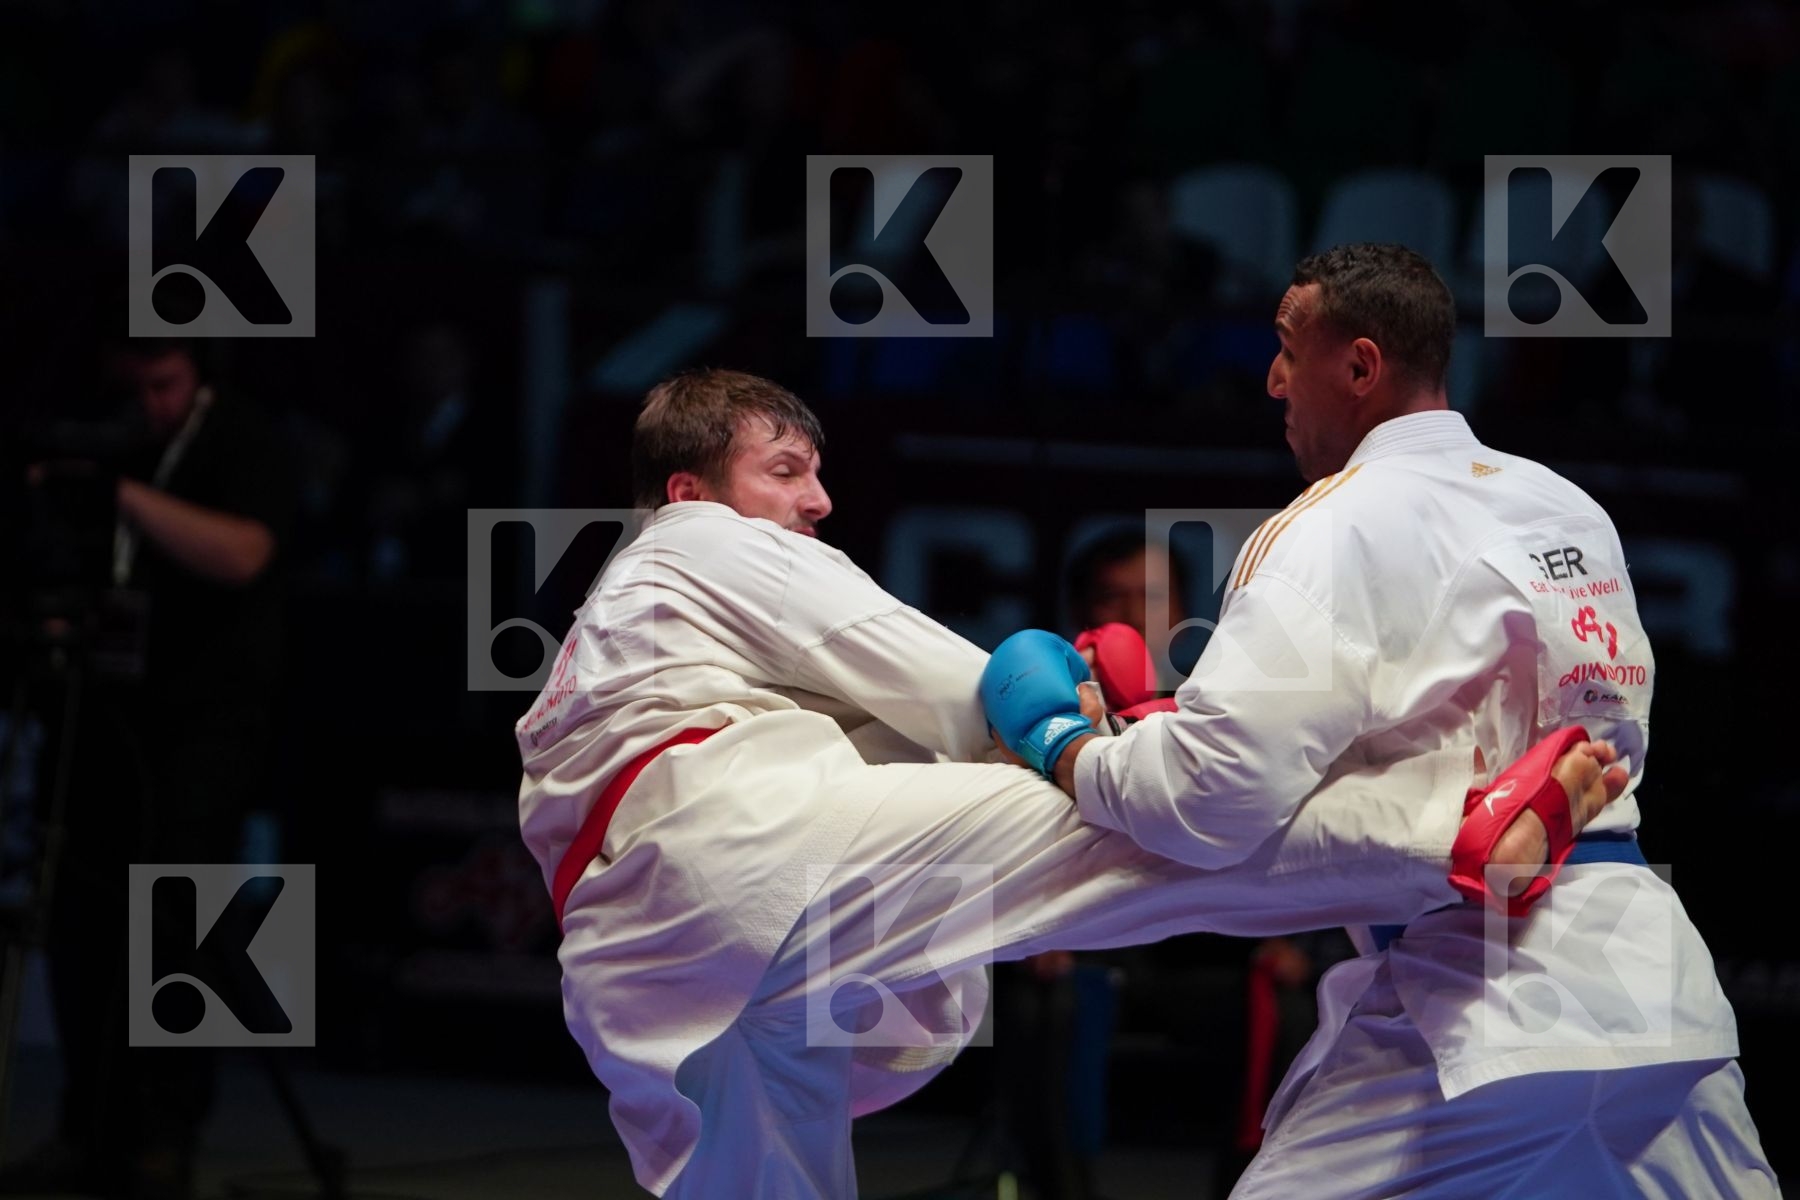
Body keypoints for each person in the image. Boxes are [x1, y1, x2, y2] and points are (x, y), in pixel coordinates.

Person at [513, 367, 1625, 1199]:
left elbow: (896, 733)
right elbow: (964, 693)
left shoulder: (614, 631)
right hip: (735, 852)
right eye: (787, 471)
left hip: (643, 963)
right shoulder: (702, 540)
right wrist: (1097, 722)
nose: (820, 502)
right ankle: (1453, 828)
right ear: (688, 488)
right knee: (1149, 827)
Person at [982, 244, 1777, 1197]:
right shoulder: (1567, 506)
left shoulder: (1334, 523)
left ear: (1360, 366)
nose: (1272, 379)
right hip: (1653, 989)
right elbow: (1586, 738)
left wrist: (1064, 746)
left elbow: (1210, 797)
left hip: (1485, 1006)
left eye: (1289, 350)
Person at [1, 338, 297, 1200]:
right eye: (136, 387)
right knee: (83, 919)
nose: (151, 404)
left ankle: (167, 1131)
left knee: (182, 917)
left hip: (208, 720)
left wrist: (121, 494)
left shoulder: (243, 437)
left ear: (197, 371)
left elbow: (245, 553)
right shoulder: (106, 431)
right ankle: (86, 1127)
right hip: (101, 710)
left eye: (165, 384)